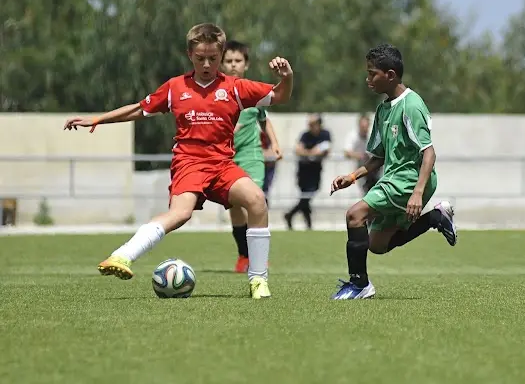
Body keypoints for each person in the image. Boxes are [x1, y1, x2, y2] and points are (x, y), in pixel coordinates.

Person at [63, 23, 294, 300]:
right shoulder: (176, 87)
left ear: (221, 55)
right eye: (200, 58)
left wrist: (287, 77)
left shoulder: (235, 88)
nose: (207, 64)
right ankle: (122, 256)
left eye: (213, 58)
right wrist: (98, 119)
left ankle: (258, 280)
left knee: (257, 200)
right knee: (180, 214)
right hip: (189, 163)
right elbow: (139, 108)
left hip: (222, 165)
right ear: (189, 55)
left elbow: (281, 95)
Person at [329, 44, 457, 300]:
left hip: (410, 179)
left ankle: (359, 284)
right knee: (377, 244)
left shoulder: (411, 105)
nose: (368, 79)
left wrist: (417, 193)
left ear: (390, 75)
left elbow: (429, 153)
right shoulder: (383, 109)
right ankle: (434, 218)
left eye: (372, 73)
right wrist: (352, 176)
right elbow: (378, 157)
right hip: (394, 178)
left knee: (355, 216)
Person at [222, 39, 281, 274]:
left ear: (245, 65)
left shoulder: (251, 92)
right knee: (235, 208)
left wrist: (275, 144)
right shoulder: (218, 92)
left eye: (238, 61)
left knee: (255, 201)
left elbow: (264, 121)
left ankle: (259, 259)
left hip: (251, 155)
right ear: (221, 63)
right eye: (229, 61)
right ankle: (243, 255)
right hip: (225, 157)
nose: (233, 65)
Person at [284, 114, 331, 230]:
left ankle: (290, 214)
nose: (310, 126)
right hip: (303, 170)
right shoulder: (305, 135)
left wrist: (308, 153)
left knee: (308, 196)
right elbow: (298, 149)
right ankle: (308, 225)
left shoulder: (325, 134)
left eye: (312, 124)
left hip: (315, 170)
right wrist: (311, 153)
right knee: (305, 196)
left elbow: (324, 150)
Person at [344, 113, 381, 194]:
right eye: (362, 126)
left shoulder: (373, 134)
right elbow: (347, 152)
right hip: (361, 167)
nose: (364, 129)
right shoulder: (352, 135)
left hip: (375, 168)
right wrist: (360, 155)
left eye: (366, 126)